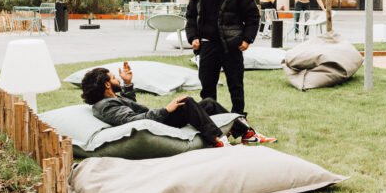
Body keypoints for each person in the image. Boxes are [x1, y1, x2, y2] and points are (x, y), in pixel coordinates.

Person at [80, 62, 274, 146]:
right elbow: (133, 120)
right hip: (153, 125)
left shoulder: (111, 99)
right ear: (107, 84)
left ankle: (247, 134)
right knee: (187, 102)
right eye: (114, 78)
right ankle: (217, 139)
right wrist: (166, 110)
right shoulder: (104, 106)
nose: (117, 80)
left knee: (208, 103)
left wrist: (128, 83)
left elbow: (130, 107)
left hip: (154, 121)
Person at [185, 0, 261, 116]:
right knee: (207, 85)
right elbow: (191, 17)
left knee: (235, 85)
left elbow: (253, 16)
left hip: (231, 46)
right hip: (207, 46)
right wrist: (193, 37)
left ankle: (239, 117)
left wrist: (247, 39)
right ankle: (208, 118)